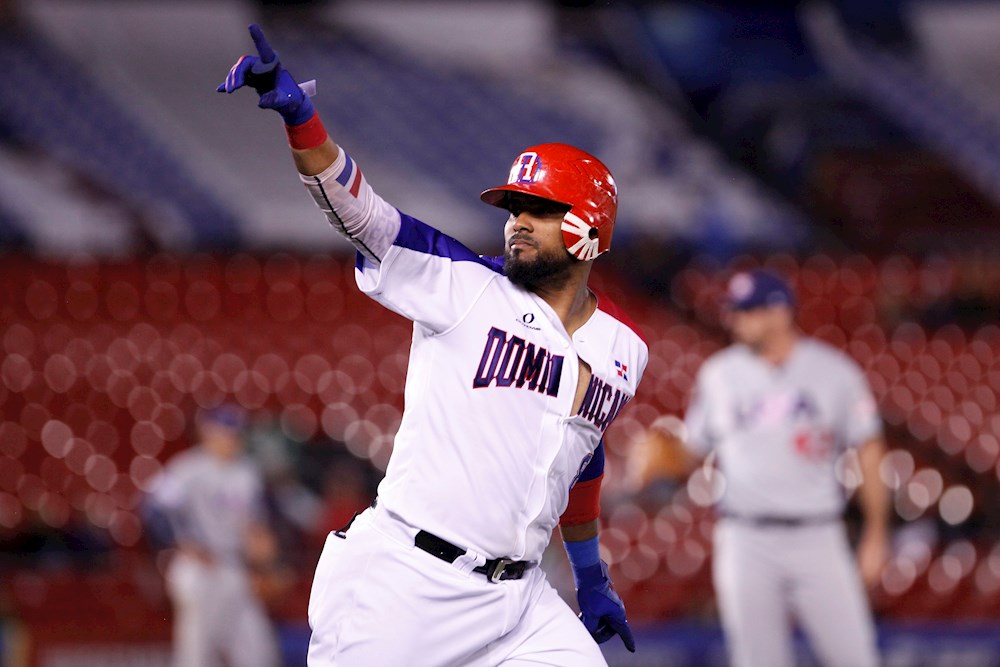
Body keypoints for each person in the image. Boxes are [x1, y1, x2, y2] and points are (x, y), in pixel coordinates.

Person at [218, 24, 648, 667]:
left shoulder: (624, 349)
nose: (517, 221)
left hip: (522, 600)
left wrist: (590, 576)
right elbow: (365, 216)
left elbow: (580, 455)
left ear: (589, 226)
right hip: (406, 584)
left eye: (537, 208)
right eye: (512, 208)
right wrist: (303, 122)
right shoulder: (465, 284)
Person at [661, 268, 889, 667]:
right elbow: (694, 452)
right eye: (736, 311)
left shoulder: (834, 372)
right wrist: (663, 458)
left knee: (855, 657)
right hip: (744, 537)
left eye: (749, 310)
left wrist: (876, 534)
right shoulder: (719, 374)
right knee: (756, 661)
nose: (737, 319)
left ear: (781, 312)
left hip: (818, 535)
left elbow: (869, 448)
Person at [144, 405, 283, 667]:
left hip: (234, 566)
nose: (232, 437)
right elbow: (153, 511)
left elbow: (257, 522)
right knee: (196, 655)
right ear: (207, 432)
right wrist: (181, 543)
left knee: (258, 652)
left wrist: (263, 550)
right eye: (226, 431)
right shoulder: (187, 469)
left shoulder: (247, 472)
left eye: (235, 431)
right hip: (199, 569)